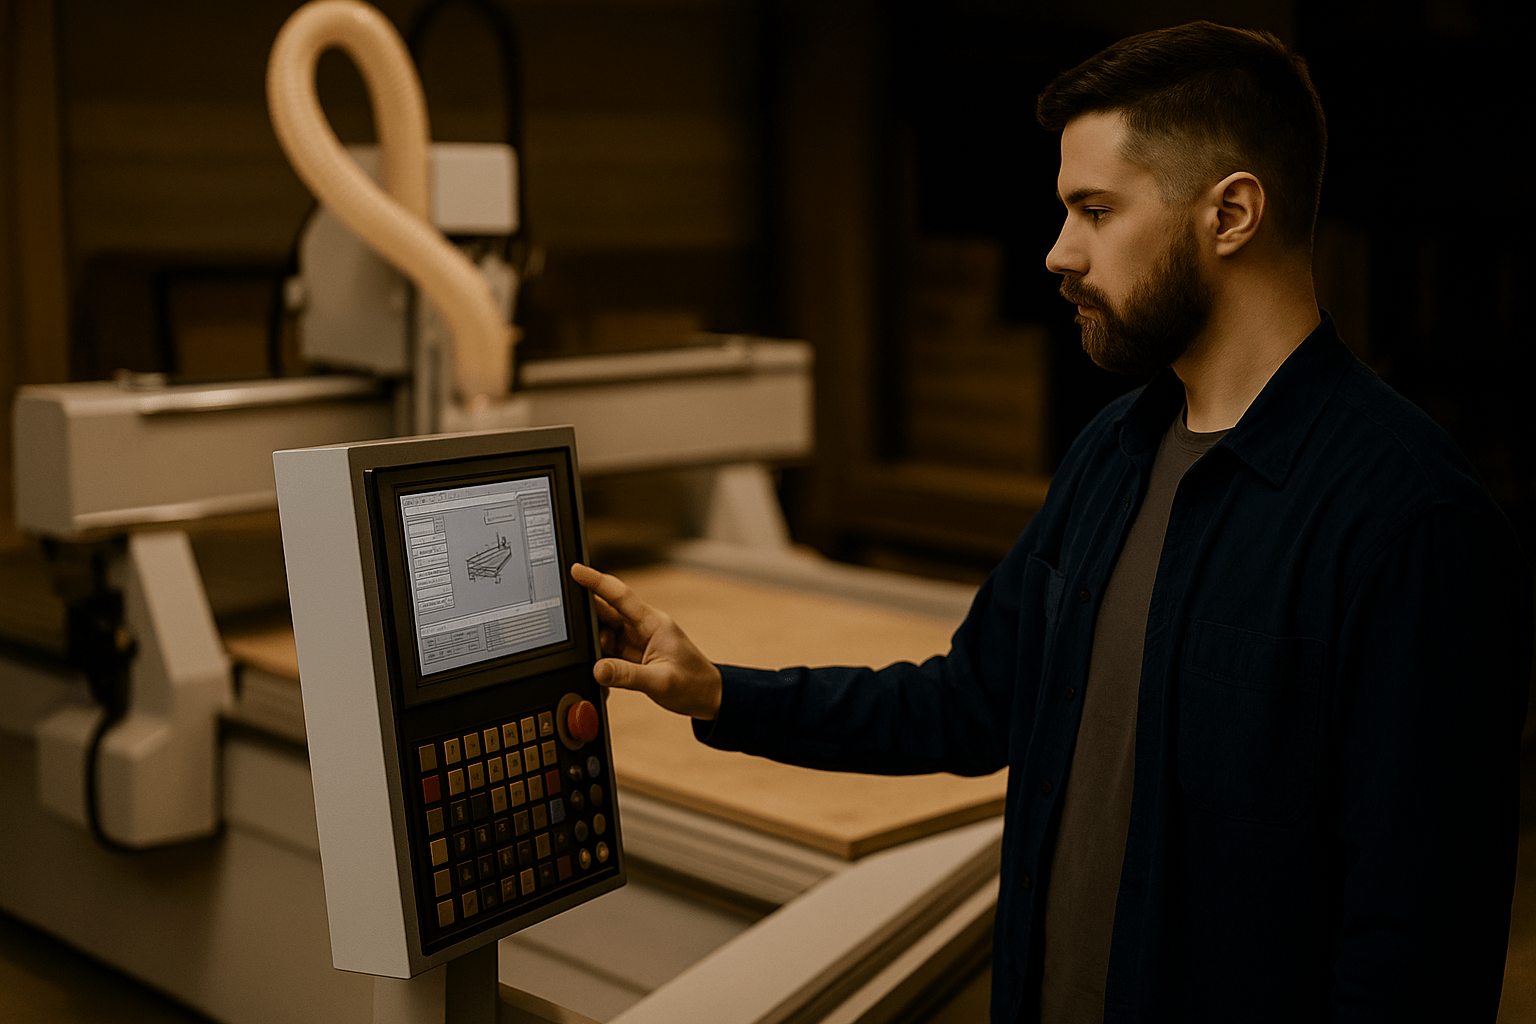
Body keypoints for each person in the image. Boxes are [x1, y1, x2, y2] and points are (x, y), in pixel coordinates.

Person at [571, 20, 1532, 1024]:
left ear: (1233, 213)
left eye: (1095, 209)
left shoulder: (1411, 526)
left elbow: (1415, 960)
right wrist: (719, 690)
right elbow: (970, 701)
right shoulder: (1115, 452)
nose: (1057, 251)